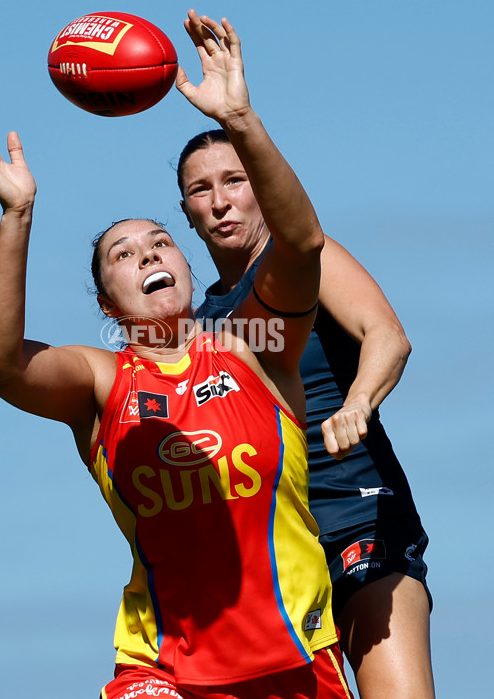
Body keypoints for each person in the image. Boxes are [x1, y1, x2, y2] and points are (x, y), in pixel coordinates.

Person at [0, 11, 353, 699]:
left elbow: (300, 246)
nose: (147, 252)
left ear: (183, 261)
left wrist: (239, 118)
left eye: (159, 241)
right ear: (109, 305)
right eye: (123, 253)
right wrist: (16, 215)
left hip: (296, 657)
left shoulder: (253, 346)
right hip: (161, 669)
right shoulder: (102, 378)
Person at [176, 133, 435, 694]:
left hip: (359, 516)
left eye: (234, 181)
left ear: (263, 189)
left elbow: (387, 337)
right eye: (201, 189)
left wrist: (358, 402)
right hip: (273, 557)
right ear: (187, 214)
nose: (220, 201)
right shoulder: (198, 331)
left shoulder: (304, 259)